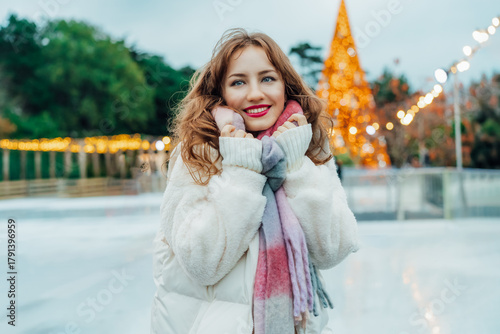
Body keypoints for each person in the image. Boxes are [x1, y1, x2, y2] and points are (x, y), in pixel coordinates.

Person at [150, 28, 359, 334]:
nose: (255, 93)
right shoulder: (197, 154)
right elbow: (202, 262)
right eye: (238, 82)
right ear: (220, 93)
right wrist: (242, 167)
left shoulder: (307, 148)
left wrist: (296, 164)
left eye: (267, 78)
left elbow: (334, 249)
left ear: (285, 85)